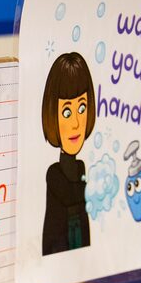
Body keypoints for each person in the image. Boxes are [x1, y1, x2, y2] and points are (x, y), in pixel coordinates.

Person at [40, 52, 96, 255]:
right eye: (66, 112)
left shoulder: (81, 167)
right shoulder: (54, 174)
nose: (76, 123)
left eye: (82, 107)